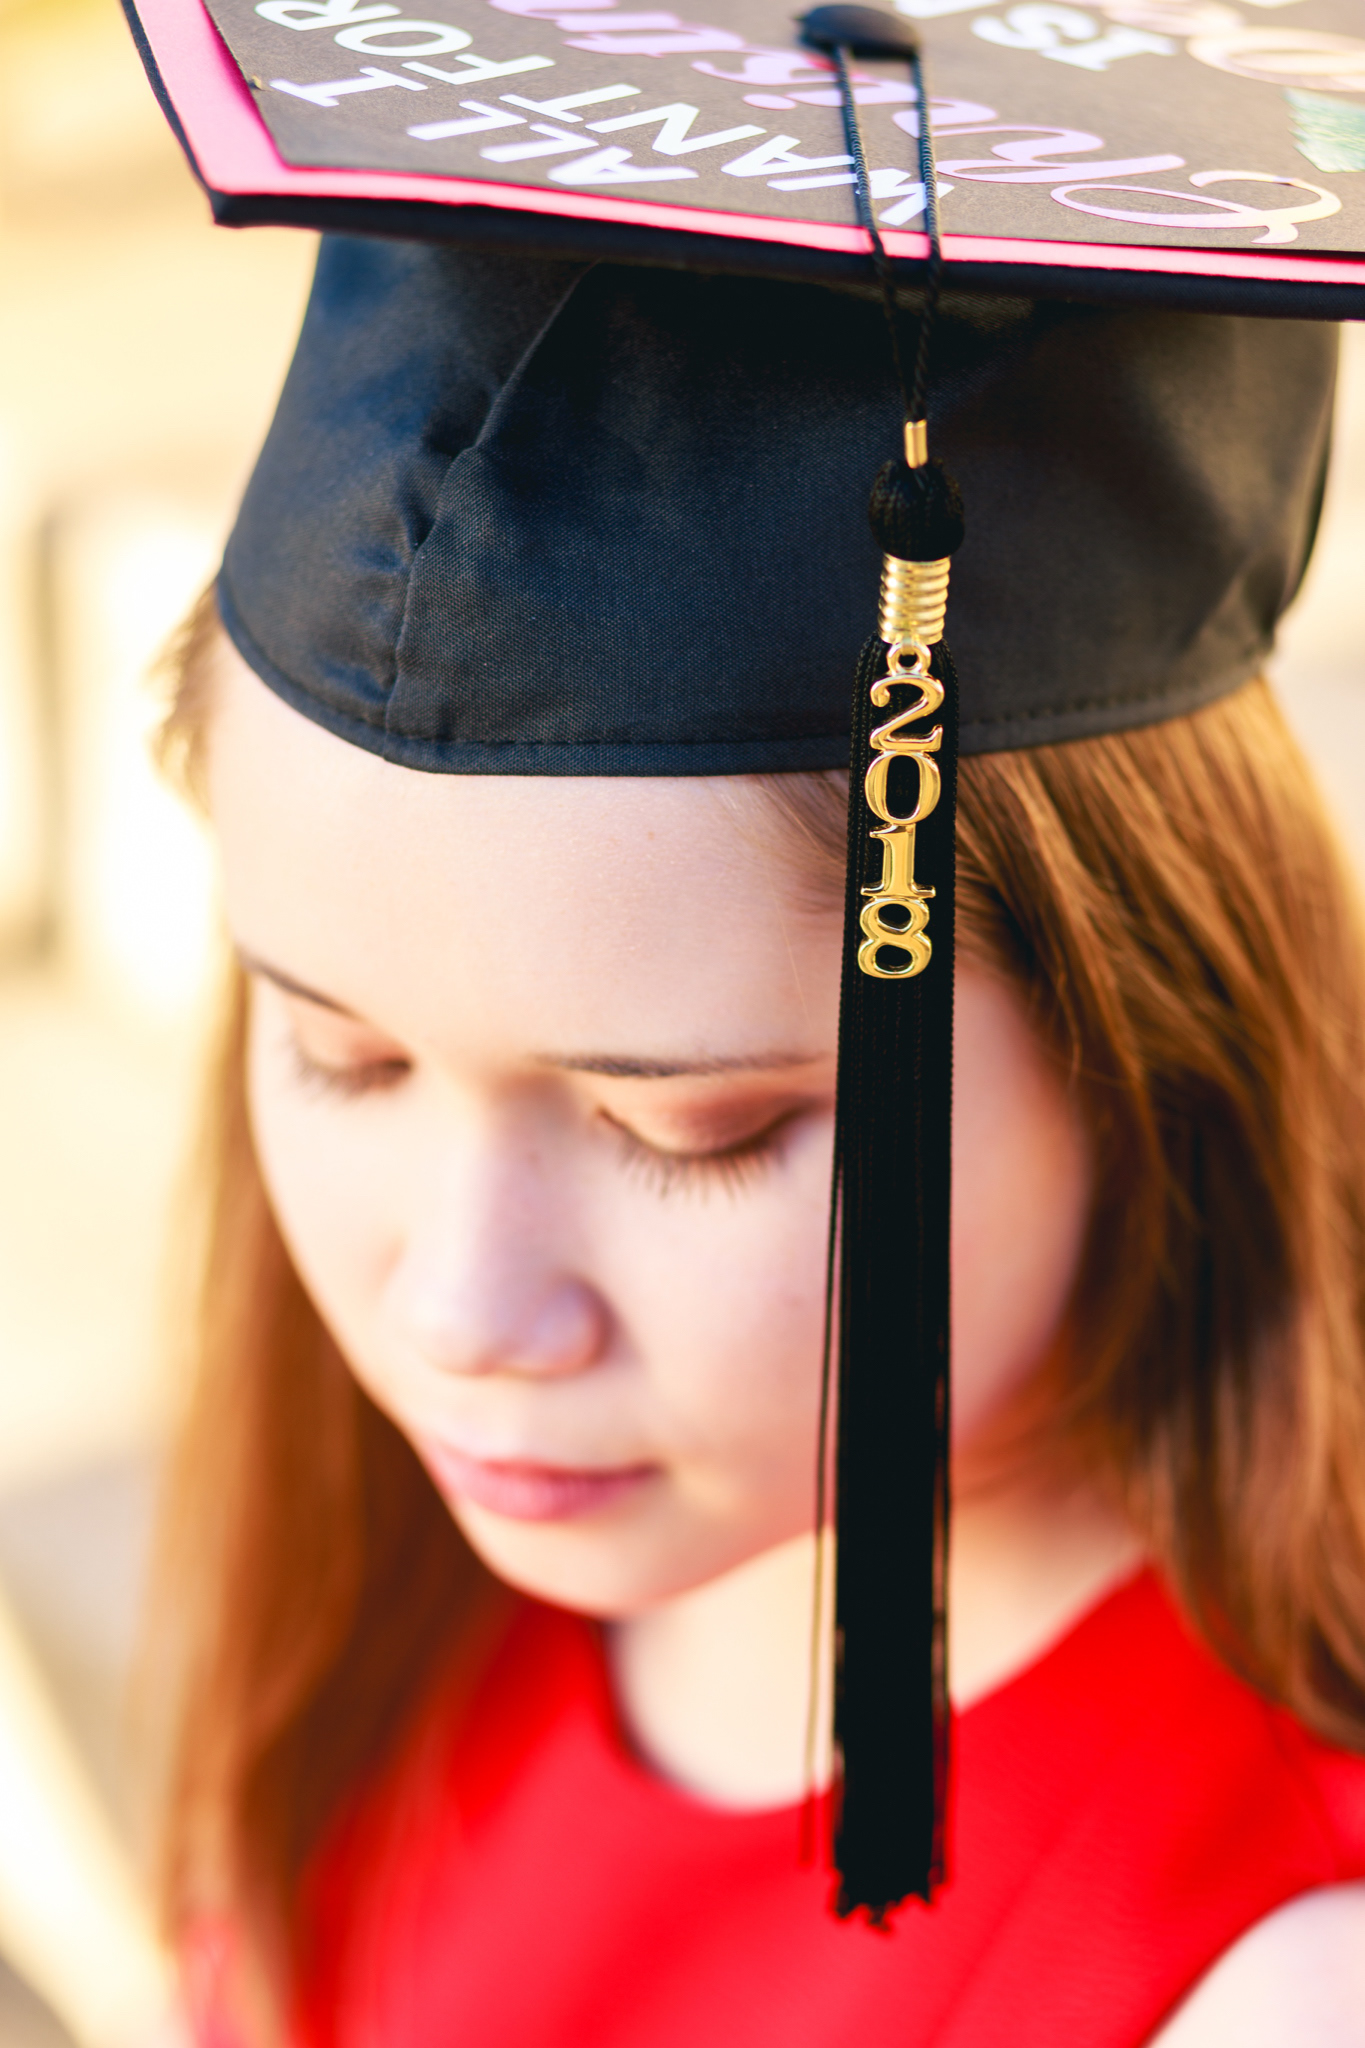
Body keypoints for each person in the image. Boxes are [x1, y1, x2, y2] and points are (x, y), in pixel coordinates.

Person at [132, 226, 1365, 2047]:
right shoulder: (396, 1590)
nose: (460, 1314)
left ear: (1159, 1036)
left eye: (690, 1133)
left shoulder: (1259, 1971)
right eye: (343, 1059)